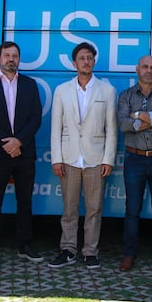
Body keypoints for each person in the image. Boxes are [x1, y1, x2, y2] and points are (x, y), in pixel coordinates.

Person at [49, 42, 117, 270]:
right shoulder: (62, 90)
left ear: (94, 62)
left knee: (94, 209)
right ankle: (67, 249)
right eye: (81, 58)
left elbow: (111, 129)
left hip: (95, 159)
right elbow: (55, 127)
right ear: (74, 63)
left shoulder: (107, 91)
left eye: (89, 57)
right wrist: (56, 158)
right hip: (68, 158)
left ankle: (90, 251)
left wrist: (108, 159)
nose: (86, 61)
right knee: (68, 208)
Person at [0, 41, 43, 266]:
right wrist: (6, 143)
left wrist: (19, 141)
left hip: (24, 152)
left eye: (15, 55)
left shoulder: (30, 84)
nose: (11, 59)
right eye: (7, 55)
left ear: (19, 59)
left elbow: (36, 117)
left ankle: (25, 246)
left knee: (25, 201)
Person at [117, 55, 152, 273]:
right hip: (134, 159)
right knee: (132, 210)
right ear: (137, 69)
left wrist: (139, 116)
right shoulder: (126, 96)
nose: (148, 70)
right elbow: (123, 124)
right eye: (144, 66)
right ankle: (129, 255)